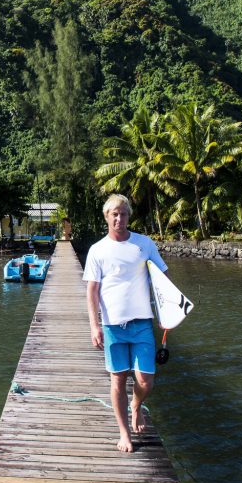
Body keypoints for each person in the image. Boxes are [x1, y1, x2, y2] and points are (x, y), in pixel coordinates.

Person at [84, 193, 168, 453]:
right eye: (114, 214)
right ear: (107, 217)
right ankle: (124, 433)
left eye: (123, 214)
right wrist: (94, 325)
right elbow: (92, 291)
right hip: (112, 327)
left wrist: (170, 315)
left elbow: (163, 280)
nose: (119, 218)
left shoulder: (144, 244)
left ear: (129, 216)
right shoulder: (97, 250)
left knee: (146, 381)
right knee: (118, 381)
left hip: (142, 323)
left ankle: (136, 404)